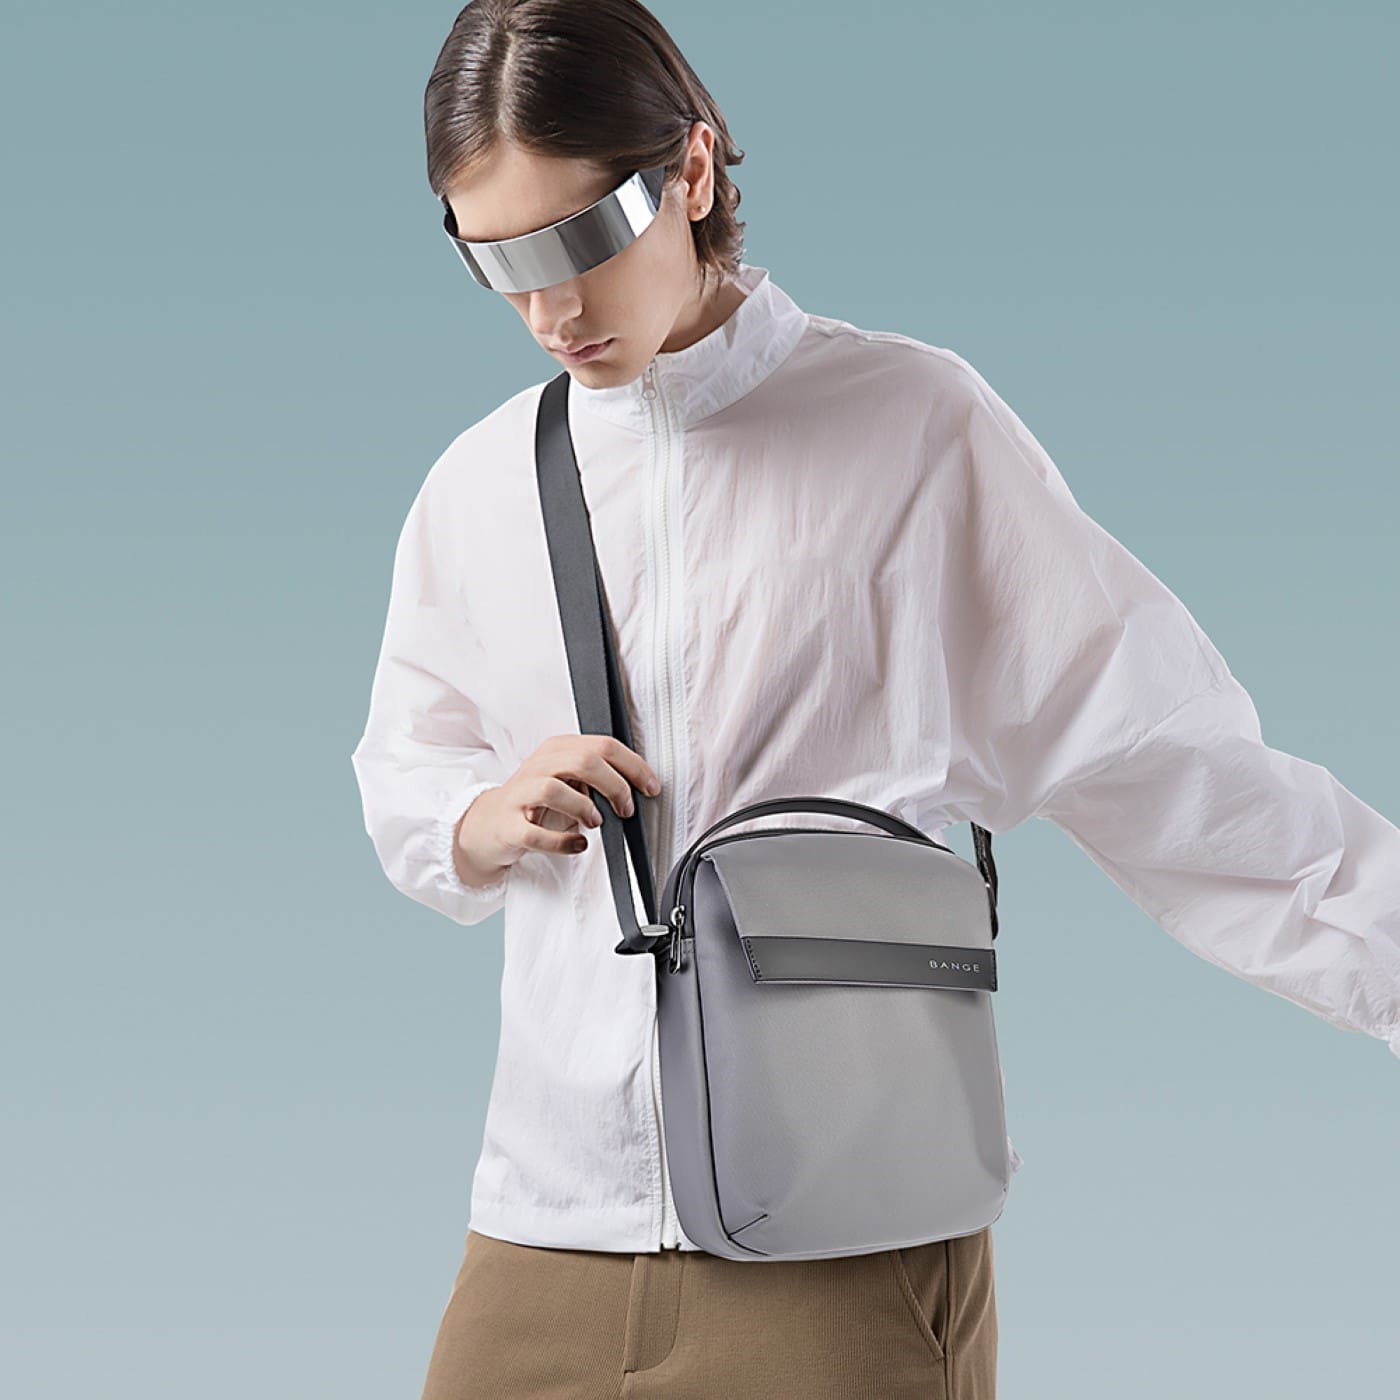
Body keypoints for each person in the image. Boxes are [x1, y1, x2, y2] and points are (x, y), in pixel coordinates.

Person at [348, 2, 1400, 1396]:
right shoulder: (478, 485)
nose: (550, 313)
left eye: (579, 242)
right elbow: (407, 766)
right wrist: (479, 820)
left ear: (692, 171)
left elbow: (1167, 763)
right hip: (547, 1225)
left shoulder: (913, 425)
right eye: (498, 262)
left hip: (847, 1235)